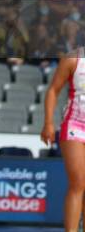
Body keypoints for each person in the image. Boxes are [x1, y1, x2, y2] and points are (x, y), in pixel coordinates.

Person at [41, 48, 85, 232]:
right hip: (74, 124)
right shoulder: (73, 59)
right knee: (78, 183)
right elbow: (53, 90)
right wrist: (48, 123)